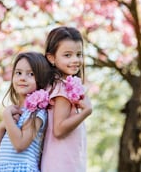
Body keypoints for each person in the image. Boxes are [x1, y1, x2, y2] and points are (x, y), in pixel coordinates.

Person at [41, 26, 93, 172]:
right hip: (62, 164)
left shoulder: (62, 85)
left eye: (79, 54)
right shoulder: (61, 88)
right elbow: (58, 129)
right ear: (51, 58)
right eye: (67, 55)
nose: (75, 60)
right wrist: (85, 112)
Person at [0, 52, 51, 172]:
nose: (22, 78)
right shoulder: (14, 111)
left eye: (31, 74)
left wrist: (7, 116)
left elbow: (20, 145)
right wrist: (3, 125)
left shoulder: (37, 112)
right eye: (18, 73)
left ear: (41, 79)